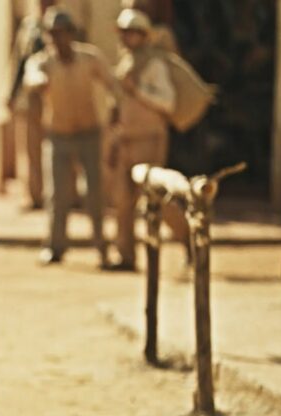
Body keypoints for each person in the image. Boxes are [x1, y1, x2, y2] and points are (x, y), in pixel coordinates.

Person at [23, 7, 114, 267]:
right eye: (52, 34)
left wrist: (115, 108)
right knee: (57, 194)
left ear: (72, 34)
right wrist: (38, 82)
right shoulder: (42, 62)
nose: (57, 39)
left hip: (89, 132)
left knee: (94, 194)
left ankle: (101, 246)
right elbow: (32, 77)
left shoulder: (89, 58)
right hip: (58, 134)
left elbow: (112, 84)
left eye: (61, 33)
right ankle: (55, 246)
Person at [108, 8, 190, 271]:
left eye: (132, 33)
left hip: (149, 138)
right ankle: (125, 256)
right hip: (126, 138)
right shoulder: (126, 63)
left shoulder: (154, 64)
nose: (127, 37)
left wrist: (138, 90)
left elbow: (167, 103)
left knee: (156, 198)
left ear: (143, 35)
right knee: (122, 202)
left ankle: (189, 237)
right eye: (124, 32)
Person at [8, 0, 55, 211]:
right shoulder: (29, 26)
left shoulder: (62, 24)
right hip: (31, 94)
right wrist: (12, 93)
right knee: (31, 146)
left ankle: (60, 195)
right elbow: (20, 61)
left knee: (58, 146)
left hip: (55, 93)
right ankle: (34, 194)